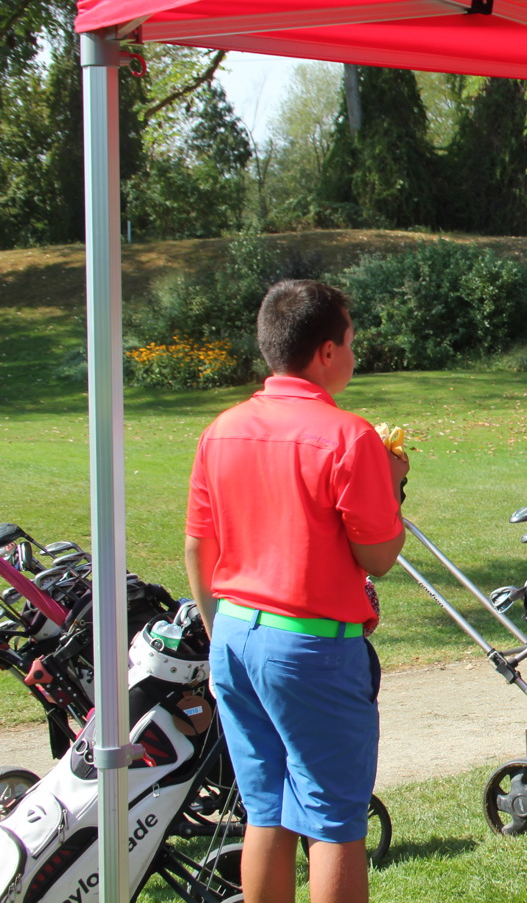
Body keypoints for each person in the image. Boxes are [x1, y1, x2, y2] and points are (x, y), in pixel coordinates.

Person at [185, 280, 407, 903]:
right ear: (327, 352)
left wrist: (219, 633)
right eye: (351, 342)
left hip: (235, 633)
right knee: (334, 818)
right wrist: (392, 486)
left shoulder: (222, 429)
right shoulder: (348, 436)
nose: (354, 354)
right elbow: (379, 556)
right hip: (309, 647)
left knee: (266, 810)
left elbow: (198, 546)